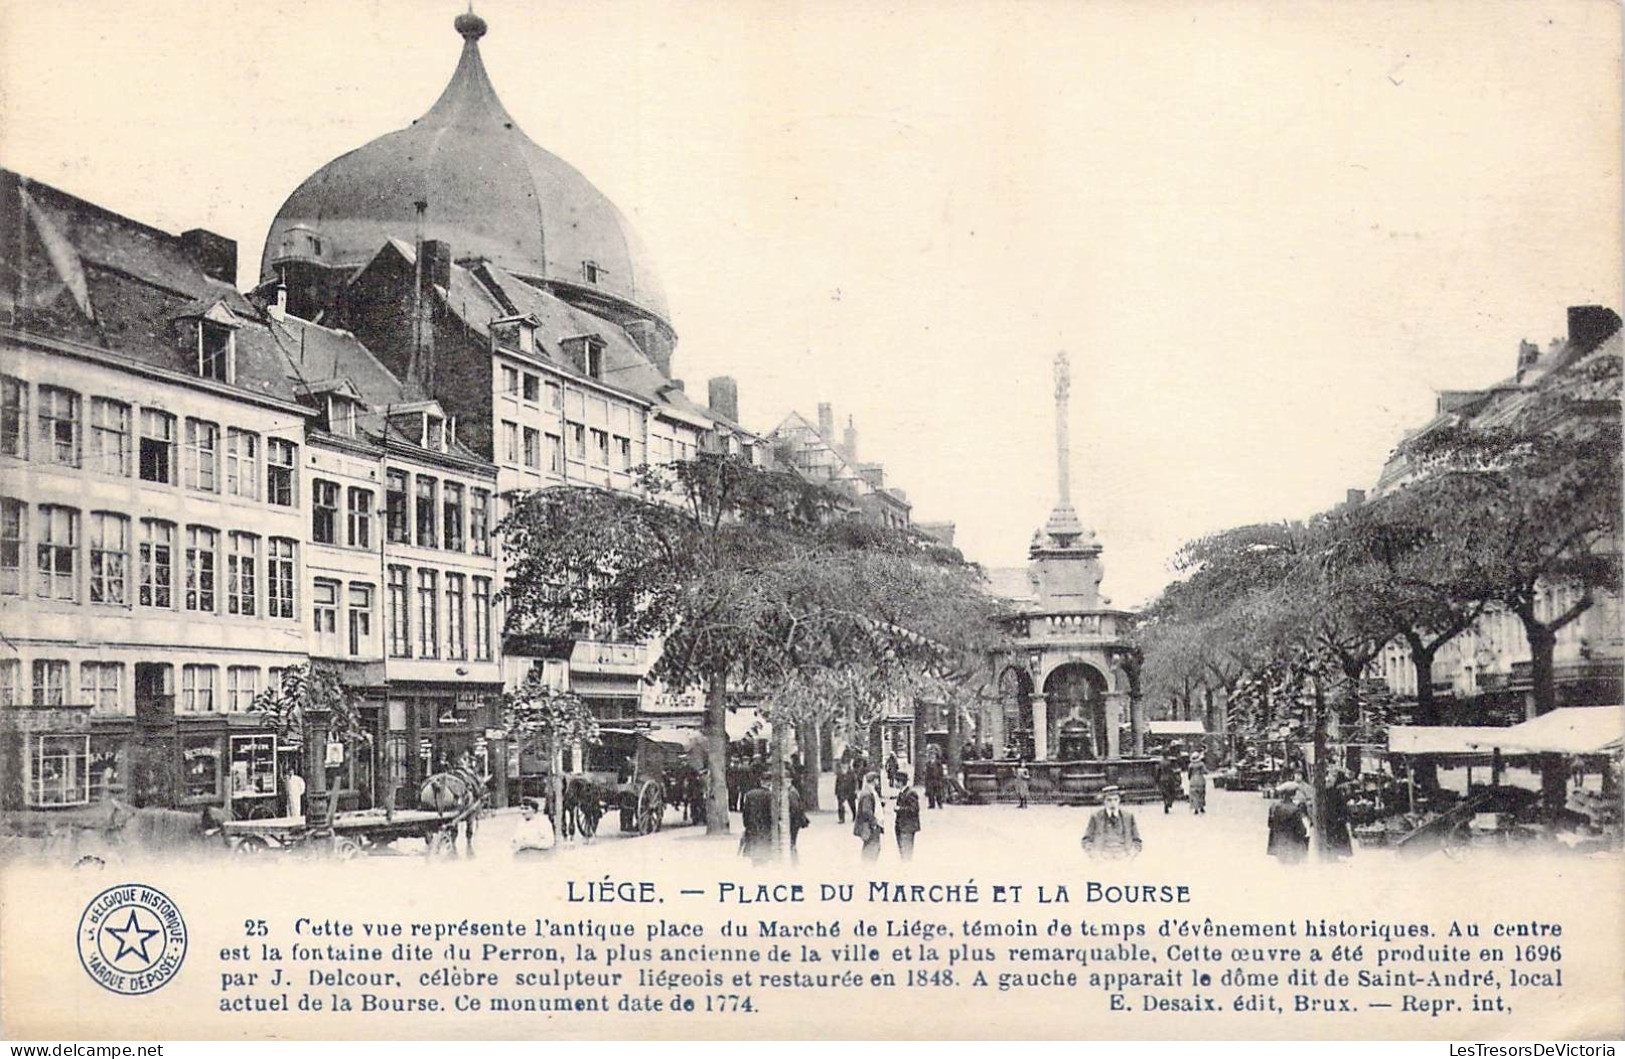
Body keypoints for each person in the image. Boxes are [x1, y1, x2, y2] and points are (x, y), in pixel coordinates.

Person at [1082, 786, 1142, 858]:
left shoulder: (1128, 817)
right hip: (1103, 857)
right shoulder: (1096, 817)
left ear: (1119, 800)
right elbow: (1086, 840)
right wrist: (1094, 854)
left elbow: (1137, 841)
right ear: (1104, 801)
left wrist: (1132, 854)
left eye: (1115, 799)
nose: (1113, 803)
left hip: (1124, 857)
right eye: (1109, 800)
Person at [1267, 786, 1311, 863]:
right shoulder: (1295, 810)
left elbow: (1270, 824)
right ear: (1292, 796)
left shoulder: (1275, 807)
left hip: (1279, 844)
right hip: (1292, 846)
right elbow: (1301, 830)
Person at [738, 775, 774, 864]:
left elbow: (745, 812)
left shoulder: (750, 794)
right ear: (769, 783)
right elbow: (772, 813)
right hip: (766, 827)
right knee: (765, 851)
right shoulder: (770, 795)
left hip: (752, 826)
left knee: (754, 850)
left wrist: (747, 825)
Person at [1321, 774, 1354, 859]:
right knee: (1337, 836)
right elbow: (1342, 805)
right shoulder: (1335, 792)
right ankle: (1337, 853)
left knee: (1334, 836)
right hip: (1335, 817)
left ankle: (1334, 854)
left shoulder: (1332, 791)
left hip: (1333, 817)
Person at [853, 772, 884, 862]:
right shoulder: (868, 793)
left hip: (870, 824)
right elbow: (866, 811)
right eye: (877, 779)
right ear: (874, 780)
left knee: (872, 846)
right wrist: (874, 822)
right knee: (872, 846)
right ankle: (868, 867)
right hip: (870, 826)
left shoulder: (869, 791)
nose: (878, 781)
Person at [894, 772, 921, 861]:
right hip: (901, 827)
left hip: (907, 827)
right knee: (902, 851)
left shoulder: (911, 793)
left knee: (906, 852)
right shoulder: (902, 793)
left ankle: (907, 870)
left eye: (896, 781)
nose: (894, 783)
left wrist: (899, 809)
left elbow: (914, 809)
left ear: (900, 782)